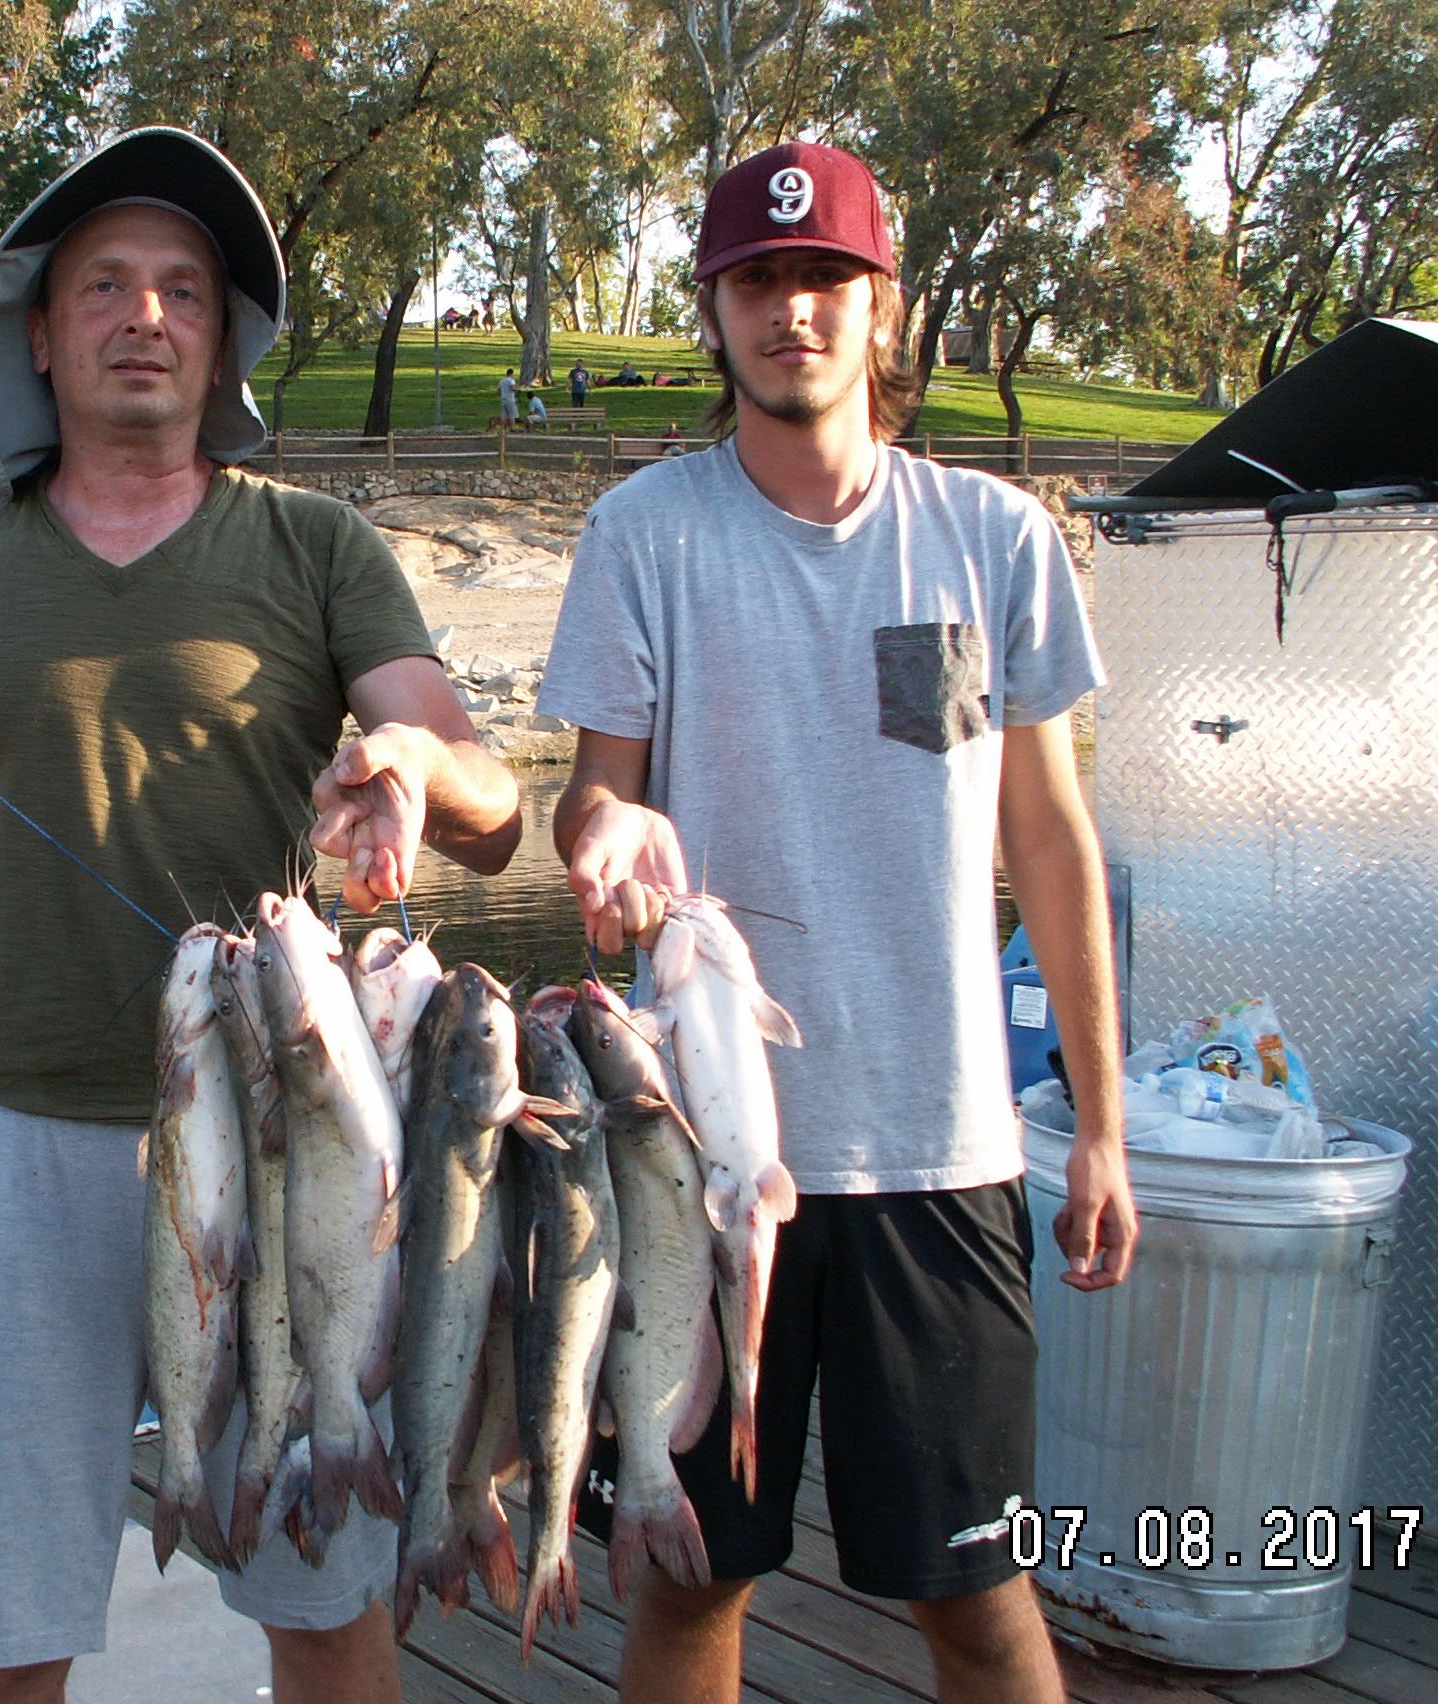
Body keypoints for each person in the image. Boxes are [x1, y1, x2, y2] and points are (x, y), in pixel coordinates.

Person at [0, 127, 521, 1704]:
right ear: (42, 338)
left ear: (222, 339)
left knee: (329, 1607)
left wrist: (409, 763)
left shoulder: (314, 548)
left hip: (288, 1154)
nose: (146, 316)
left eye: (184, 290)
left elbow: (492, 803)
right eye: (106, 287)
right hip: (8, 1153)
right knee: (1, 1640)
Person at [537, 139, 1135, 1704]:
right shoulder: (643, 537)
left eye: (823, 279)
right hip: (695, 1159)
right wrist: (607, 839)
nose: (790, 310)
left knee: (982, 1607)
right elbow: (587, 806)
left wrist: (1105, 1130)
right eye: (758, 281)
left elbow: (1051, 845)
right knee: (687, 1586)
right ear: (715, 311)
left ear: (883, 305)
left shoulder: (995, 539)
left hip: (939, 1156)